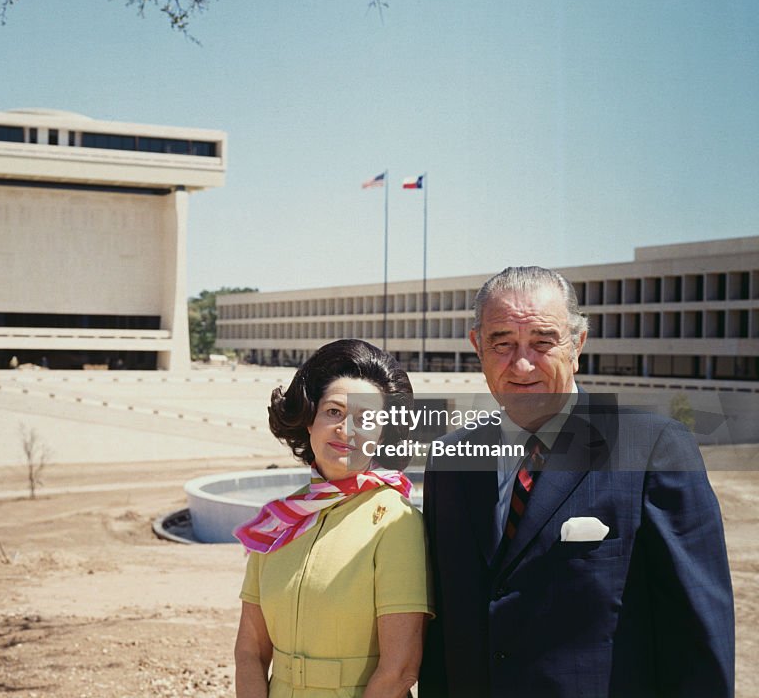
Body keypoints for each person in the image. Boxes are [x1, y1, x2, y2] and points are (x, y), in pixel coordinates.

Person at [419, 266, 735, 697]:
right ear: (477, 345)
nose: (522, 364)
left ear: (578, 343)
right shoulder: (450, 460)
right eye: (502, 343)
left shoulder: (652, 448)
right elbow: (443, 632)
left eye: (543, 342)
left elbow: (697, 634)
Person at [234, 339, 434, 698]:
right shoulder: (279, 519)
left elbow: (399, 669)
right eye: (333, 411)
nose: (346, 429)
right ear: (309, 419)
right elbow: (250, 652)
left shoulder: (396, 523)